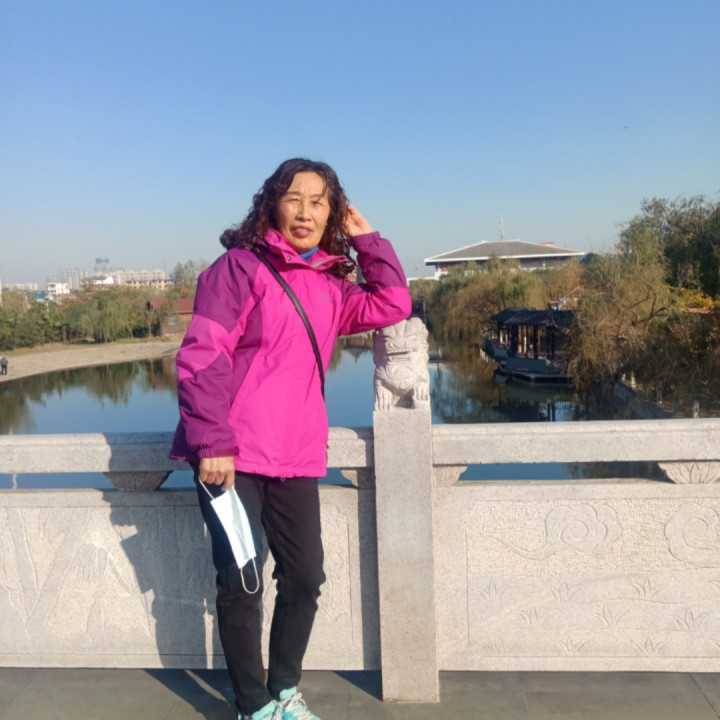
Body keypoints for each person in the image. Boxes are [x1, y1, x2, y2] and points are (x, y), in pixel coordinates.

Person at [170, 158, 411, 720]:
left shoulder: (330, 285)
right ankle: (253, 705)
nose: (305, 212)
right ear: (271, 205)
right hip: (231, 457)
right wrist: (212, 442)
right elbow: (203, 355)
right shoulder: (238, 269)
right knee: (242, 581)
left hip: (297, 455)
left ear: (333, 213)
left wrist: (367, 239)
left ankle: (284, 691)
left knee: (304, 579)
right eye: (294, 198)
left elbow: (393, 303)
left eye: (319, 202)